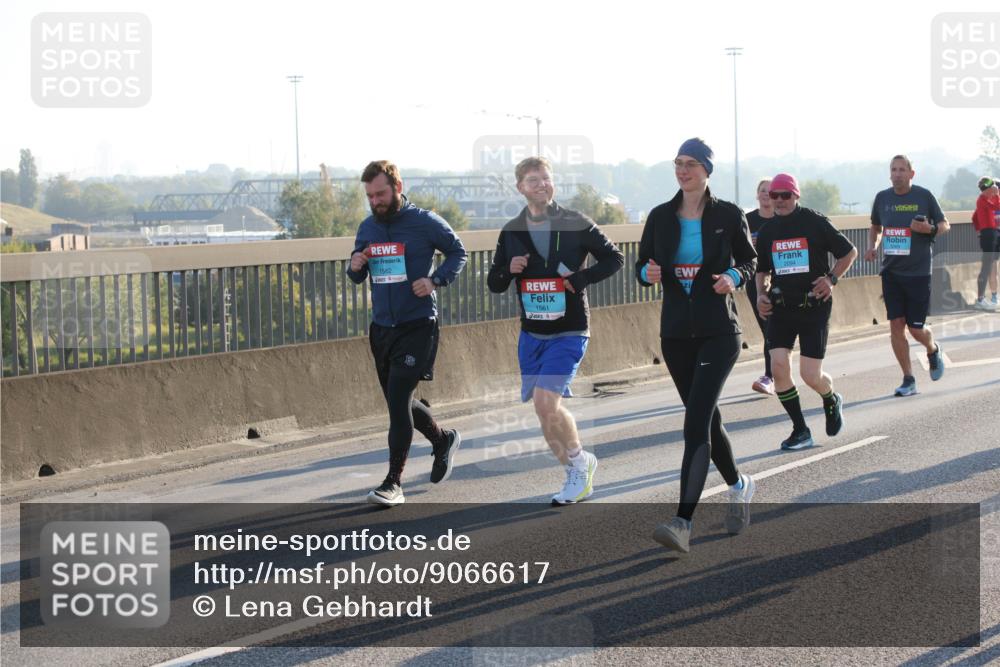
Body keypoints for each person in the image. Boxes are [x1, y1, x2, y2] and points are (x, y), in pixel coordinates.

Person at [636, 138, 757, 554]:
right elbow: (643, 263)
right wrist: (647, 272)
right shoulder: (660, 217)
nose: (682, 170)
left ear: (707, 170)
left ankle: (682, 522)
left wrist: (735, 278)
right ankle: (739, 485)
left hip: (719, 331)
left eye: (690, 164)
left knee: (695, 422)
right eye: (678, 164)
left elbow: (750, 260)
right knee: (707, 419)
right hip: (675, 334)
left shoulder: (727, 214)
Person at [487, 157, 624, 505]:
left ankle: (578, 471)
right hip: (532, 334)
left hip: (571, 329)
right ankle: (579, 465)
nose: (542, 185)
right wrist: (508, 269)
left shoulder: (575, 222)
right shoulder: (512, 231)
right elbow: (494, 282)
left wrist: (582, 279)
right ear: (520, 187)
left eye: (546, 179)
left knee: (547, 400)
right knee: (542, 409)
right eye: (533, 180)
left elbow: (614, 258)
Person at [347, 160, 468, 506]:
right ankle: (443, 440)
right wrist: (355, 265)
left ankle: (393, 483)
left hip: (418, 325)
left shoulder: (424, 222)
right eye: (370, 195)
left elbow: (459, 252)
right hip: (382, 328)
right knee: (399, 402)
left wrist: (435, 280)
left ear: (398, 188)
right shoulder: (368, 226)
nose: (375, 201)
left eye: (381, 193)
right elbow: (357, 271)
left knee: (399, 399)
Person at [756, 173, 857, 451]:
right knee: (778, 367)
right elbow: (762, 270)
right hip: (781, 308)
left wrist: (831, 279)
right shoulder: (767, 232)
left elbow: (849, 253)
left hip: (814, 306)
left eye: (785, 195)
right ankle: (800, 430)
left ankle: (830, 397)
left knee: (811, 375)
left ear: (796, 195)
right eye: (774, 195)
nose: (779, 201)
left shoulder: (814, 222)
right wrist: (761, 294)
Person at [865, 155, 950, 396]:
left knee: (915, 328)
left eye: (902, 170)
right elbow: (875, 227)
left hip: (919, 272)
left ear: (911, 174)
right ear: (889, 173)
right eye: (894, 169)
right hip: (891, 271)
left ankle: (932, 348)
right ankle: (908, 378)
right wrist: (873, 245)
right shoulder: (882, 198)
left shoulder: (924, 196)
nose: (898, 174)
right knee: (896, 325)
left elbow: (945, 224)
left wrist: (930, 228)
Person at [746, 178, 776, 395]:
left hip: (782, 279)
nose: (766, 194)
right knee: (768, 329)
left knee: (776, 329)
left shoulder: (783, 219)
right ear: (757, 195)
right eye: (762, 191)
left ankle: (773, 374)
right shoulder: (747, 221)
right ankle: (772, 375)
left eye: (770, 191)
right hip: (755, 282)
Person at [972, 176, 1000, 311]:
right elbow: (997, 206)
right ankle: (980, 299)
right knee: (986, 268)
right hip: (988, 234)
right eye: (992, 188)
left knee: (988, 266)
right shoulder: (982, 199)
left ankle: (983, 298)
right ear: (987, 189)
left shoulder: (986, 198)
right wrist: (997, 194)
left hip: (991, 233)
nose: (994, 191)